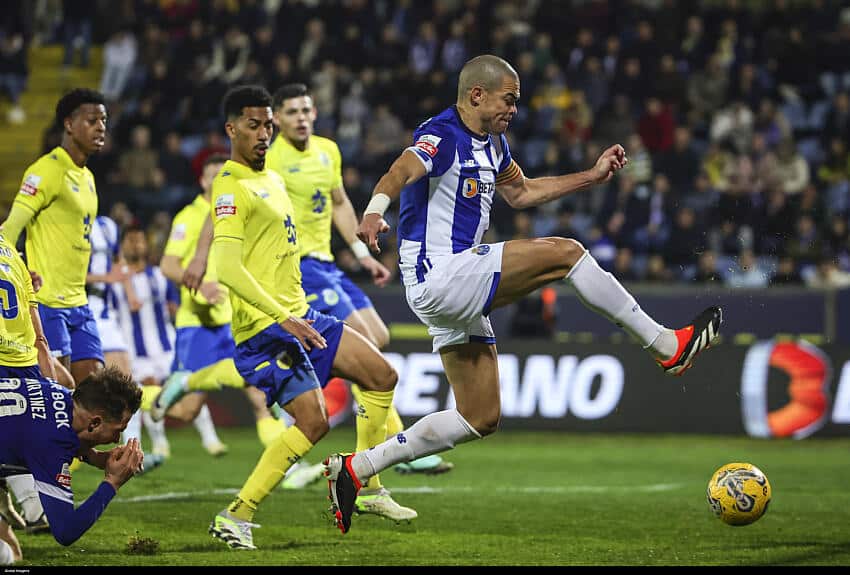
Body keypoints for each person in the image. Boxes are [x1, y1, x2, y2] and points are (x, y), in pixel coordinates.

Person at [323, 54, 723, 534]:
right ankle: (665, 345)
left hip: (454, 284)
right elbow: (399, 171)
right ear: (477, 95)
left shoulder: (493, 144)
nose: (514, 109)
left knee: (480, 416)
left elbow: (523, 192)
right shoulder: (442, 134)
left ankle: (357, 469)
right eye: (508, 100)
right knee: (567, 253)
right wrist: (373, 210)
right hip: (440, 274)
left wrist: (591, 176)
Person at [205, 85, 398, 550]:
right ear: (231, 129)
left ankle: (367, 485)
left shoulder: (272, 178)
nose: (263, 134)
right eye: (253, 125)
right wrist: (281, 316)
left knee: (381, 375)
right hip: (265, 328)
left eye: (268, 125)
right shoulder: (231, 186)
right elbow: (226, 266)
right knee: (313, 423)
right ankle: (236, 515)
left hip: (301, 314)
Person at [267, 83, 447, 512]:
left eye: (306, 110)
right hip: (299, 265)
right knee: (367, 346)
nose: (301, 118)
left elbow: (339, 203)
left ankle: (380, 444)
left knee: (378, 338)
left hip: (328, 263)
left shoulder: (328, 151)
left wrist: (364, 256)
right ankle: (391, 449)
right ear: (277, 119)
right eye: (291, 112)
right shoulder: (271, 161)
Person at [155, 154, 324, 483]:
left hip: (234, 319)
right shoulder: (190, 217)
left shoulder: (242, 207)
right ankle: (148, 394)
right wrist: (201, 286)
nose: (219, 180)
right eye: (212, 175)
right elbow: (168, 265)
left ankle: (290, 470)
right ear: (202, 181)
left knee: (261, 397)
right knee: (187, 410)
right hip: (199, 324)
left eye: (223, 174)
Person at [1, 88, 107, 385]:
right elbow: (8, 231)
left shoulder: (87, 177)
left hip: (79, 302)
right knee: (61, 392)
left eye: (104, 120)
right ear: (69, 124)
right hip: (48, 301)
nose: (101, 127)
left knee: (95, 390)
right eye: (92, 121)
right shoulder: (46, 170)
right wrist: (16, 274)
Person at [0, 365, 143, 557]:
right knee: (6, 556)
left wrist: (95, 457)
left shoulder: (52, 387)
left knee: (12, 550)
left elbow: (40, 425)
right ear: (95, 422)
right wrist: (112, 482)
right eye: (118, 430)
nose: (116, 439)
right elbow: (66, 531)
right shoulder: (51, 443)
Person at [113, 226, 225, 461]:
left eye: (139, 240)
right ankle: (157, 445)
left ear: (146, 245)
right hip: (135, 350)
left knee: (186, 389)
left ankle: (211, 439)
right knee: (142, 392)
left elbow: (175, 305)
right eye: (130, 240)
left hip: (167, 346)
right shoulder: (115, 280)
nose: (136, 244)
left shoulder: (160, 276)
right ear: (122, 246)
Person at [0, 231, 58, 534]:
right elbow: (35, 318)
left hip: (10, 358)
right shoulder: (11, 251)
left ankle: (28, 506)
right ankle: (30, 507)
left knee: (11, 435)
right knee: (20, 434)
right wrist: (44, 355)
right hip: (24, 358)